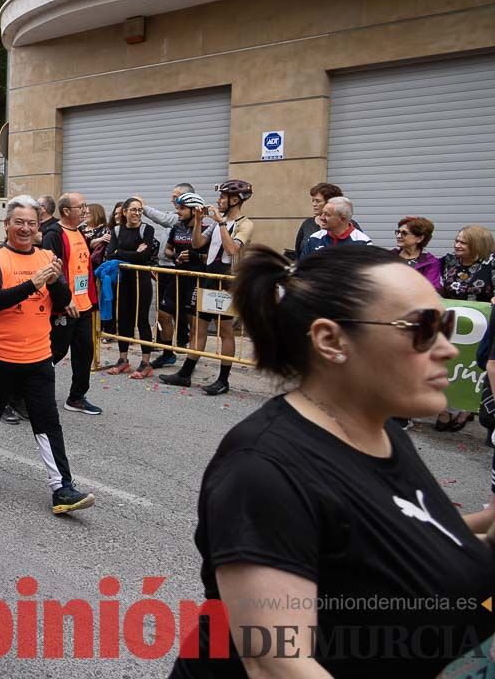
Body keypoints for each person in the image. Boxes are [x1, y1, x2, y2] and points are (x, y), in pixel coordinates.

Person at [170, 245, 495, 678]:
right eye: (422, 329)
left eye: (447, 327)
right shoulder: (263, 470)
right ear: (331, 340)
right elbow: (276, 663)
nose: (447, 350)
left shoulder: (384, 435)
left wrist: (486, 528)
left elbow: (393, 537)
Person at [0, 195, 97, 514]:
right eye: (19, 222)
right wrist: (33, 283)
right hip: (0, 354)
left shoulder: (48, 256)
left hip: (38, 356)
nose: (25, 228)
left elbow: (64, 299)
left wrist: (53, 282)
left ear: (39, 227)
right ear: (7, 225)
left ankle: (61, 488)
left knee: (47, 420)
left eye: (32, 223)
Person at [161, 180, 255, 396]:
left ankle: (223, 380)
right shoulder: (216, 222)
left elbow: (231, 249)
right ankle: (185, 374)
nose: (218, 201)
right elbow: (196, 244)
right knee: (199, 328)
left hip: (226, 280)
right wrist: (199, 221)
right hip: (208, 278)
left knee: (225, 331)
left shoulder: (245, 224)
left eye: (222, 197)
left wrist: (221, 223)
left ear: (235, 200)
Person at [41, 191, 101, 413]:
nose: (86, 210)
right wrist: (65, 299)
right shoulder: (53, 235)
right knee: (53, 353)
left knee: (85, 353)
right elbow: (52, 270)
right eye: (81, 207)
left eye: (85, 206)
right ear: (66, 211)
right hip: (64, 308)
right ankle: (22, 394)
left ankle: (76, 397)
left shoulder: (80, 233)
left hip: (83, 305)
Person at [145, 192, 211, 368]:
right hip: (177, 277)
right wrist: (175, 256)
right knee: (163, 314)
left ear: (194, 210)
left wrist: (196, 256)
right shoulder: (177, 227)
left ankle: (190, 363)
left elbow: (211, 257)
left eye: (182, 208)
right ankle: (168, 354)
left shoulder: (206, 230)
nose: (178, 211)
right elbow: (167, 249)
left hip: (196, 281)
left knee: (193, 322)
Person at [138, 183, 195, 368]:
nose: (172, 199)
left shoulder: (184, 220)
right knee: (164, 313)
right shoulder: (176, 218)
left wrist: (143, 206)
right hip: (164, 269)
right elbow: (167, 246)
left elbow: (162, 219)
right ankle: (167, 350)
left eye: (176, 196)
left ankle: (188, 352)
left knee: (185, 314)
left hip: (181, 273)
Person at [105, 197, 157, 378]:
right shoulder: (117, 230)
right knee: (124, 319)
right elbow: (110, 255)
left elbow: (145, 257)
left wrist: (121, 253)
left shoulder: (147, 229)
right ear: (124, 212)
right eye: (133, 210)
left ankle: (145, 362)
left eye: (140, 210)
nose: (137, 213)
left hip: (141, 281)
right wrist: (132, 253)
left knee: (142, 320)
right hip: (124, 281)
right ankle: (123, 360)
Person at [298, 196, 372, 259]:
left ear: (342, 219)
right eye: (322, 213)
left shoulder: (362, 242)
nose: (322, 218)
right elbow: (302, 268)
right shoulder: (314, 238)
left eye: (327, 215)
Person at [439, 225, 495, 303]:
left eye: (463, 243)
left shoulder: (492, 261)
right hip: (452, 312)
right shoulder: (449, 259)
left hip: (482, 313)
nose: (457, 245)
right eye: (456, 241)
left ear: (478, 245)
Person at [293, 182, 342, 258]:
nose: (314, 204)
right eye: (313, 200)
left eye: (318, 201)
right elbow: (298, 252)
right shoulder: (307, 224)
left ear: (330, 203)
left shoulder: (347, 225)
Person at [393, 216, 441, 289]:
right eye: (398, 232)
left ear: (420, 238)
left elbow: (430, 289)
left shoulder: (430, 262)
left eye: (404, 233)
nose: (398, 236)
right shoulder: (389, 257)